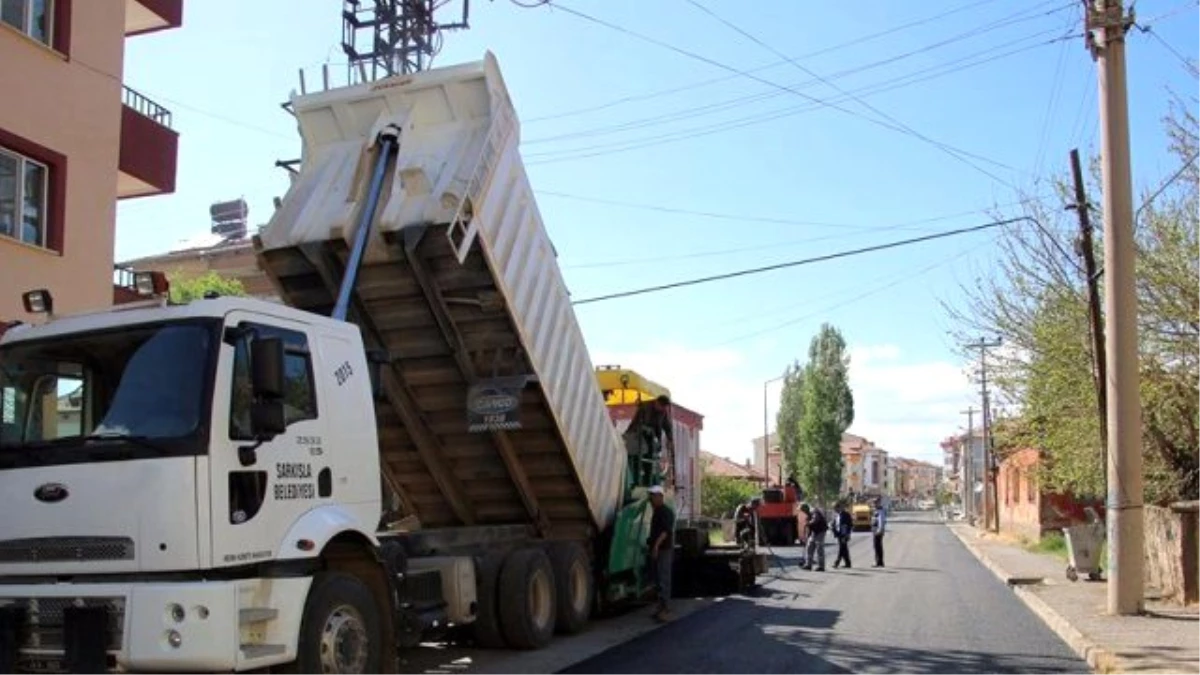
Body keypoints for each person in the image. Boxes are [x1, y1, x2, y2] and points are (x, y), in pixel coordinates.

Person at [624, 395, 675, 485]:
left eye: (664, 408)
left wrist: (670, 440)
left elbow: (668, 427)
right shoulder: (645, 407)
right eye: (662, 407)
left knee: (650, 460)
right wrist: (648, 432)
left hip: (651, 441)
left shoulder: (663, 412)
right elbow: (638, 425)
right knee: (636, 459)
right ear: (657, 403)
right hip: (636, 437)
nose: (663, 410)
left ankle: (647, 480)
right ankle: (635, 480)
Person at [646, 485, 676, 621]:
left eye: (653, 496)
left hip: (664, 549)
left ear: (660, 497)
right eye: (651, 496)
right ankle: (660, 607)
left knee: (664, 578)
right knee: (658, 578)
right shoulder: (657, 511)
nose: (651, 499)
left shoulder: (665, 512)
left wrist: (656, 546)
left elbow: (665, 532)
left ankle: (666, 609)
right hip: (658, 548)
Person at [801, 503, 828, 571]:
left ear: (806, 509)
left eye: (803, 510)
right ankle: (808, 564)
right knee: (809, 547)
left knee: (819, 548)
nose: (803, 512)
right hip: (814, 532)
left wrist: (808, 523)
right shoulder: (808, 515)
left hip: (820, 531)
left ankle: (821, 566)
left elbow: (815, 520)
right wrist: (807, 537)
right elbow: (810, 527)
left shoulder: (814, 511)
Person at [833, 502, 853, 569]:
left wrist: (847, 534)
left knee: (841, 549)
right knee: (844, 549)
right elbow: (836, 524)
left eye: (836, 508)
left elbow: (849, 525)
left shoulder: (845, 515)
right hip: (839, 534)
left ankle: (836, 563)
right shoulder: (837, 515)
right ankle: (848, 563)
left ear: (839, 507)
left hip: (844, 534)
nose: (835, 510)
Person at [872, 497, 887, 568]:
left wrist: (880, 530)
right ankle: (880, 562)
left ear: (878, 503)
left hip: (878, 531)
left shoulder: (880, 510)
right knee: (878, 546)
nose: (874, 504)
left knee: (877, 546)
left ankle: (878, 562)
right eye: (874, 503)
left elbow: (881, 521)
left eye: (875, 503)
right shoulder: (876, 510)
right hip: (876, 530)